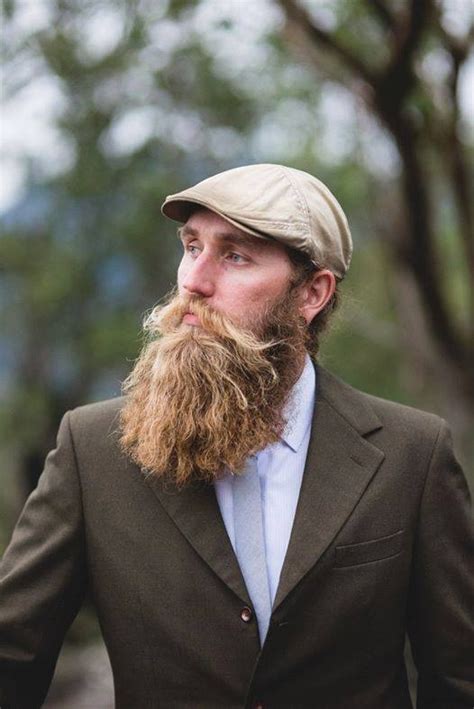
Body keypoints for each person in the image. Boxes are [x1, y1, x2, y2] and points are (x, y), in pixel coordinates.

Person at [0, 164, 473, 709]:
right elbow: (13, 660)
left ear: (312, 293)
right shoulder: (91, 449)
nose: (193, 282)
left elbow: (460, 679)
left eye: (235, 256)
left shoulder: (412, 454)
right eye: (192, 246)